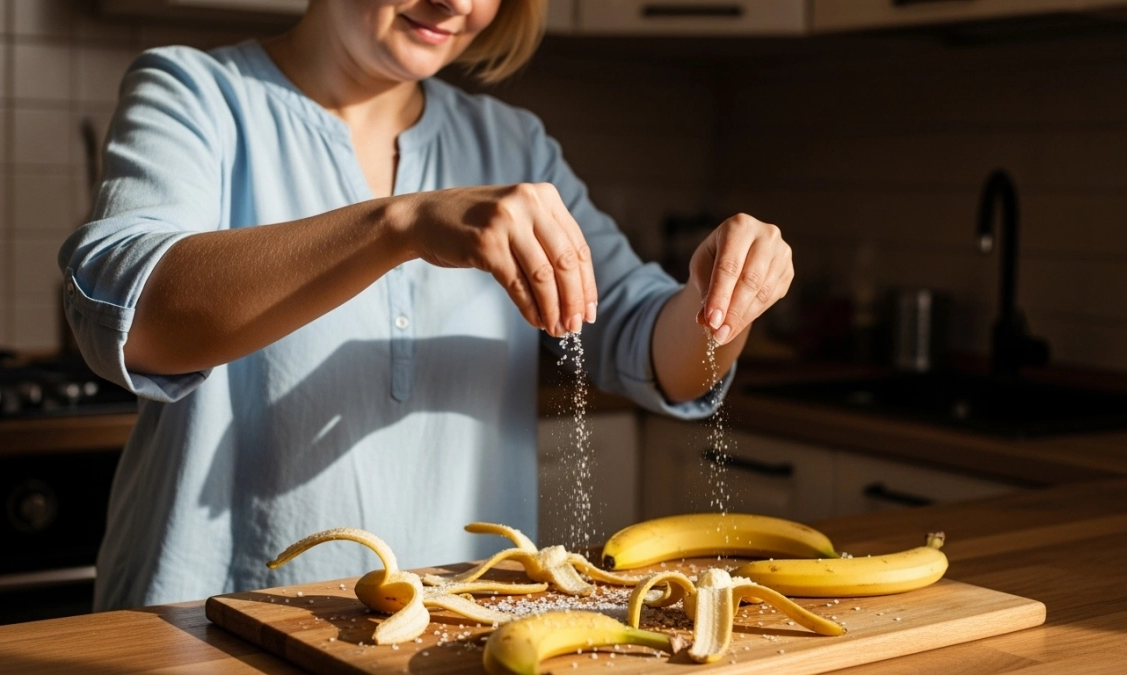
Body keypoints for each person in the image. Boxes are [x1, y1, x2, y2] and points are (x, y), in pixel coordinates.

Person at [59, 0, 794, 612]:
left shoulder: (514, 144)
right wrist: (398, 224)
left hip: (454, 626)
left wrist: (720, 300)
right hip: (207, 627)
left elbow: (647, 348)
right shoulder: (194, 91)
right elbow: (134, 315)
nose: (458, 3)